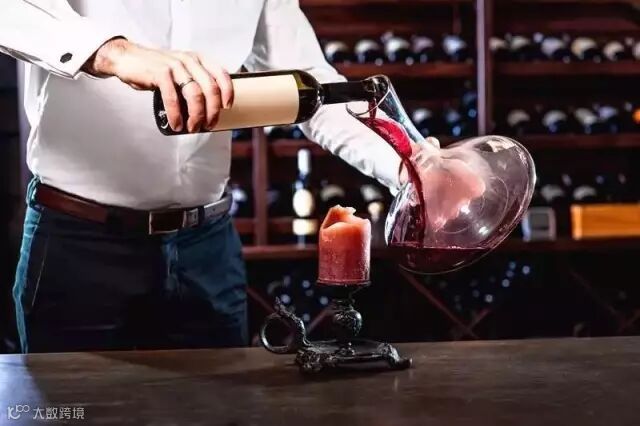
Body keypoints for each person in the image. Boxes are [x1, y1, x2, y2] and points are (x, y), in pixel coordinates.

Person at [0, 0, 406, 353]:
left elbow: (311, 83)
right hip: (79, 244)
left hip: (207, 249)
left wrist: (408, 164)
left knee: (217, 407)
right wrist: (114, 52)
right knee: (71, 405)